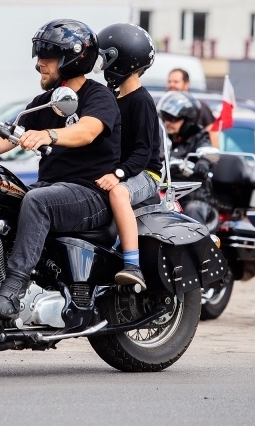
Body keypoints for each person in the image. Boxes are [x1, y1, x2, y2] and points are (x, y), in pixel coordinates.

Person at [0, 18, 121, 320]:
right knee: (1, 198)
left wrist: (49, 135)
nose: (39, 64)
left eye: (48, 56)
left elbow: (87, 131)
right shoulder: (43, 103)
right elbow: (1, 139)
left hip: (91, 194)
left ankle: (13, 290)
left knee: (36, 201)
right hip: (53, 190)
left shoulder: (98, 96)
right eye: (39, 55)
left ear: (73, 58)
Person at [94, 23, 162, 291]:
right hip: (123, 169)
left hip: (145, 173)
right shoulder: (112, 97)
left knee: (118, 193)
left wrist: (118, 174)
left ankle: (133, 266)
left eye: (106, 58)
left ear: (123, 60)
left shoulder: (141, 101)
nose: (102, 65)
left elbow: (144, 152)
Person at [157, 91, 216, 228]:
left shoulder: (199, 135)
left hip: (193, 196)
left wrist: (203, 162)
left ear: (188, 120)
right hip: (165, 191)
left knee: (193, 210)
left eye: (173, 119)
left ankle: (198, 241)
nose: (168, 122)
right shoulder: (162, 136)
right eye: (165, 118)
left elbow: (206, 149)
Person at [167, 68, 219, 147]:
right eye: (169, 82)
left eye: (176, 82)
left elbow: (212, 132)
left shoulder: (200, 107)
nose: (171, 85)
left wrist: (212, 152)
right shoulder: (162, 107)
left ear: (186, 84)